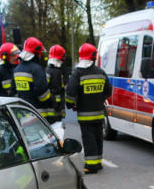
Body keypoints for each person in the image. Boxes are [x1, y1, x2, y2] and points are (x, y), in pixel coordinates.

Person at [66, 43, 112, 174]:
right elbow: (108, 92)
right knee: (98, 137)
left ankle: (91, 166)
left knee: (88, 138)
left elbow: (70, 93)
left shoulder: (78, 73)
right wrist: (99, 98)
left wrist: (71, 105)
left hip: (85, 114)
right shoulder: (101, 73)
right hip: (99, 113)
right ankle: (98, 162)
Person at [14, 37, 53, 117]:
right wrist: (52, 101)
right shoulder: (37, 69)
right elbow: (42, 93)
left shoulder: (17, 69)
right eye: (40, 53)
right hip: (37, 114)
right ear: (37, 53)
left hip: (21, 114)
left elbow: (13, 91)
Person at [46, 45, 66, 123]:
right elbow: (56, 90)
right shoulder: (56, 71)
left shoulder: (47, 69)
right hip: (55, 108)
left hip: (50, 106)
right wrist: (58, 105)